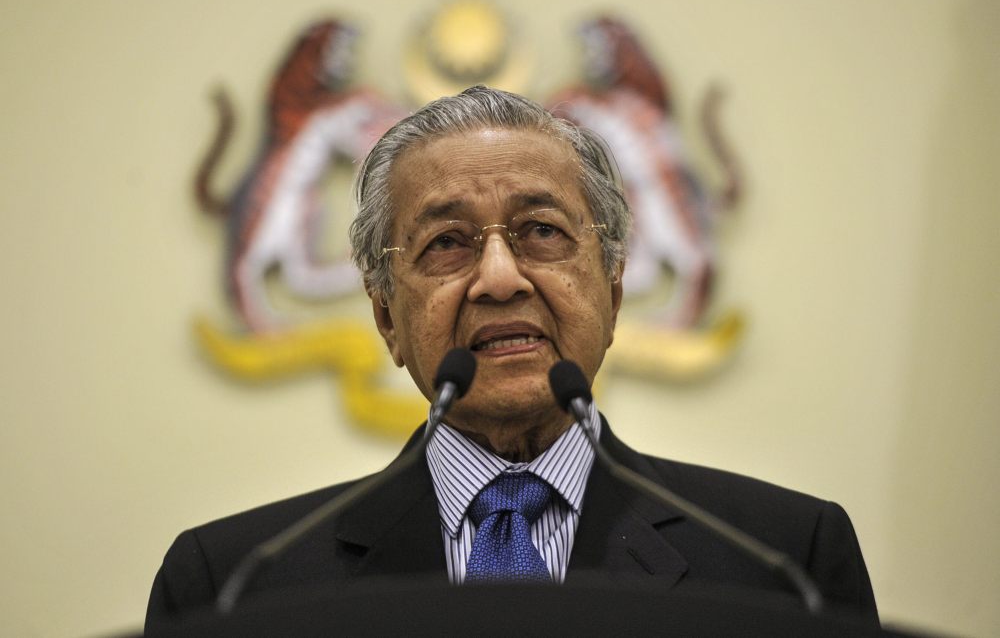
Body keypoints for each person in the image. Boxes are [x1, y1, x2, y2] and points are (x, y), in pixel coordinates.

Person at [145, 86, 877, 629]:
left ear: (613, 289)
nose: (499, 278)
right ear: (385, 316)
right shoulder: (235, 585)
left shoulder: (782, 561)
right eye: (447, 244)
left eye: (542, 231)